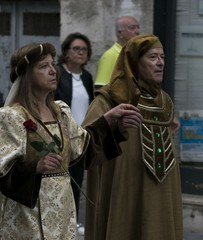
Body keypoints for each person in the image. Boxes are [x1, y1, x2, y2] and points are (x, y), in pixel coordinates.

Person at [0, 42, 142, 239]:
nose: (52, 71)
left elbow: (83, 150)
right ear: (26, 75)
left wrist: (110, 121)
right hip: (27, 215)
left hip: (63, 210)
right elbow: (2, 171)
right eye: (43, 66)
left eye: (52, 64)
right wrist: (35, 166)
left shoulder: (61, 112)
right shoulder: (11, 116)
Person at [82, 34, 183, 240]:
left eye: (162, 57)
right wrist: (112, 125)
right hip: (125, 189)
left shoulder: (163, 101)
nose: (160, 63)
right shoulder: (109, 100)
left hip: (160, 189)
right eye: (153, 57)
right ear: (134, 62)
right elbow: (83, 144)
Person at [55, 32, 94, 235]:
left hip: (81, 138)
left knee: (77, 180)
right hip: (61, 137)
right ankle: (57, 221)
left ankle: (74, 221)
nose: (80, 52)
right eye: (76, 49)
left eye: (84, 49)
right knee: (59, 181)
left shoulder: (87, 77)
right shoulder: (57, 73)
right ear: (66, 52)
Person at [94, 15, 140, 89]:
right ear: (120, 33)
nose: (137, 31)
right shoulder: (109, 56)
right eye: (132, 27)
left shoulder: (134, 55)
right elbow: (101, 89)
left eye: (138, 27)